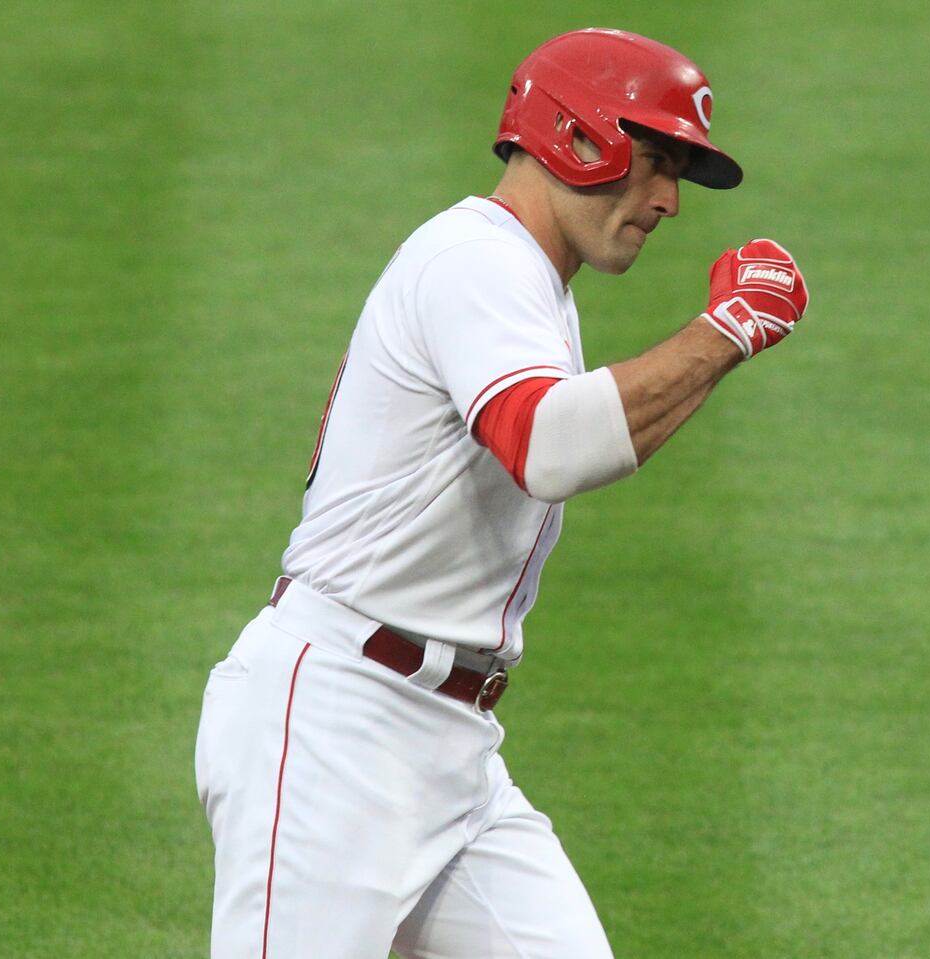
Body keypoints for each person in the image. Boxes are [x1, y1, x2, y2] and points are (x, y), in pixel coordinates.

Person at [194, 27, 808, 959]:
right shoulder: (475, 260)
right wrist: (725, 330)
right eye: (655, 164)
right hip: (335, 729)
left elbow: (579, 438)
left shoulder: (528, 283)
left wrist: (723, 345)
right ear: (577, 137)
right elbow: (549, 445)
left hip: (447, 746)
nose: (669, 200)